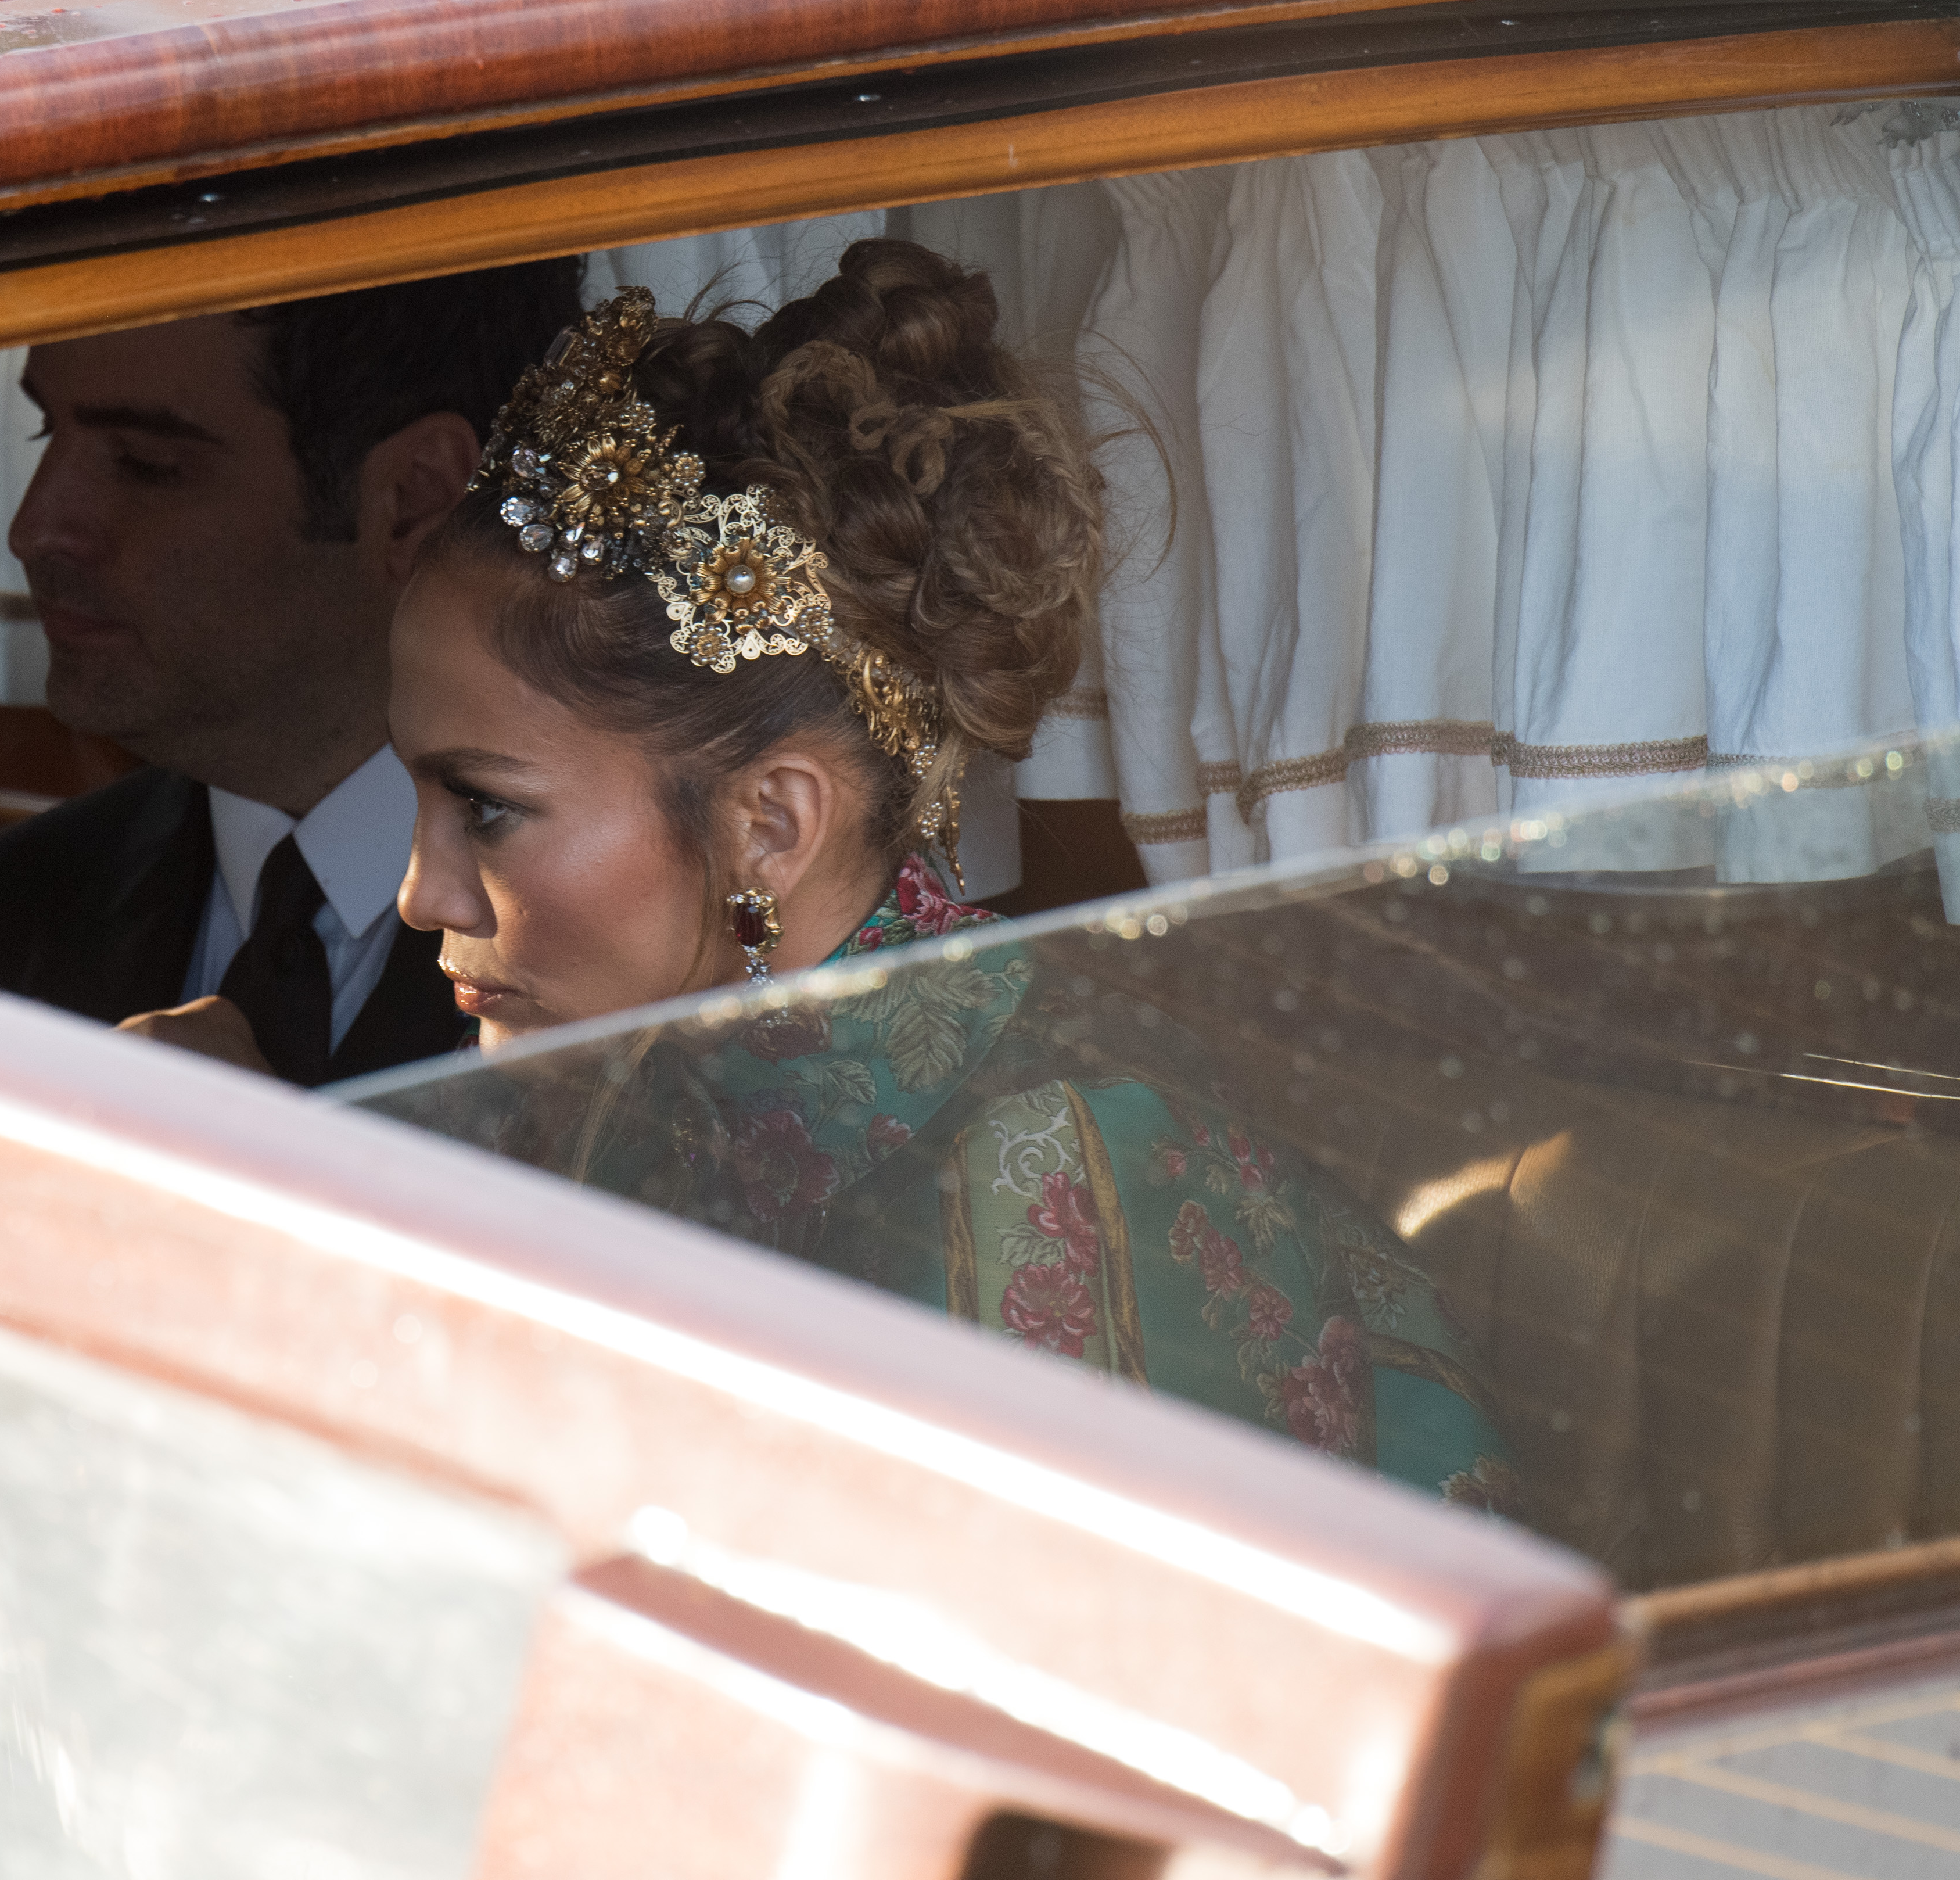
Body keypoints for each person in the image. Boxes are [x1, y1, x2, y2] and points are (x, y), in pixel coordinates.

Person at [370, 243, 1517, 1508]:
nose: (422, 894)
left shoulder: (1048, 1166)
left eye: (486, 809)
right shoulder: (626, 1077)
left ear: (769, 823)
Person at [0, 260, 591, 1084]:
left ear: (413, 499)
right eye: (45, 433)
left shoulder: (627, 955)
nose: (35, 529)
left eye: (145, 463)